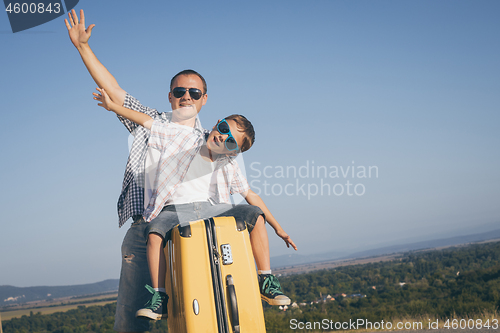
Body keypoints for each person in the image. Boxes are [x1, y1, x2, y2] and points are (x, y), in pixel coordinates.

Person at [66, 9, 296, 331]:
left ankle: (265, 282)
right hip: (148, 227)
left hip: (200, 225)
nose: (186, 96)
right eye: (179, 92)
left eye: (194, 93)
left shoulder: (219, 146)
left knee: (204, 314)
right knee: (132, 321)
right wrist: (83, 47)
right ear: (170, 97)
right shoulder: (155, 124)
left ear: (204, 100)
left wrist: (273, 224)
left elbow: (245, 192)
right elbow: (115, 92)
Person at [94, 87, 297, 320]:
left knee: (254, 213)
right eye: (223, 130)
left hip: (210, 209)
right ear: (217, 123)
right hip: (174, 209)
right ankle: (159, 298)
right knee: (154, 234)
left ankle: (265, 279)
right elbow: (150, 123)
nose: (222, 138)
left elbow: (250, 195)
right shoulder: (184, 137)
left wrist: (278, 228)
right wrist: (113, 107)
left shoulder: (227, 163)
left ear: (233, 152)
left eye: (230, 142)